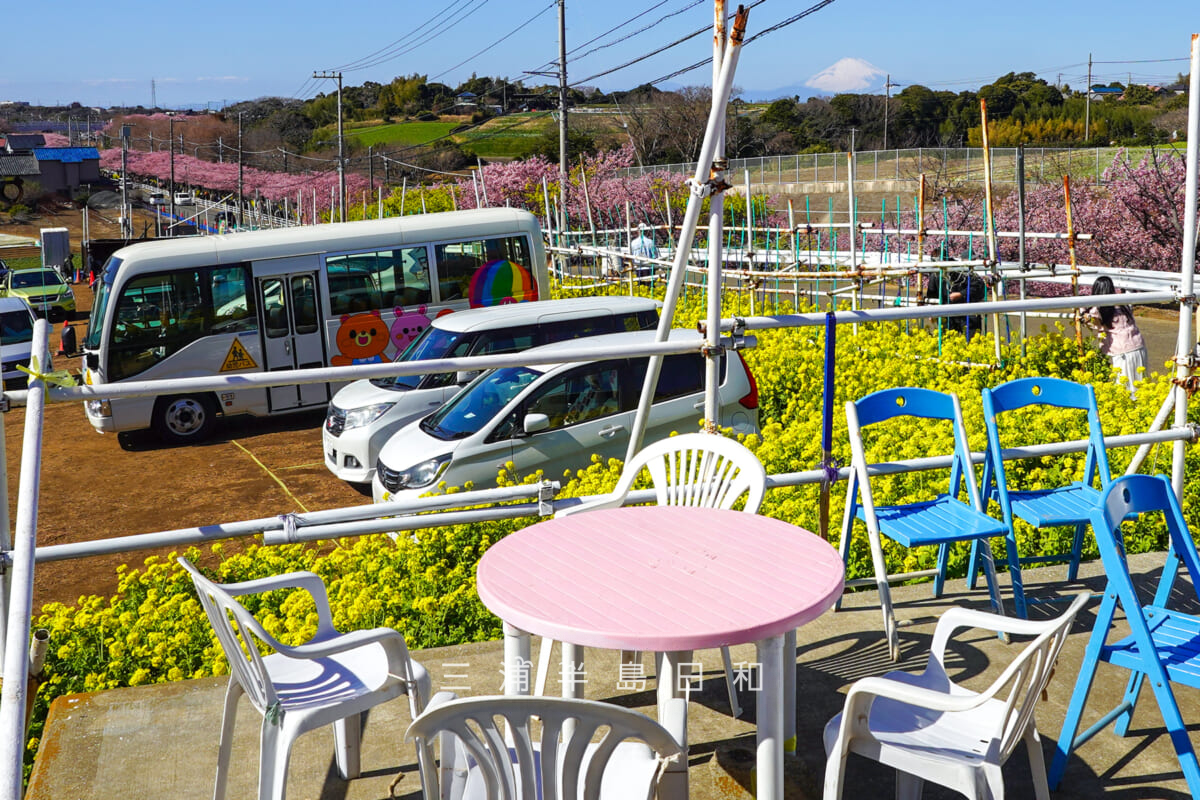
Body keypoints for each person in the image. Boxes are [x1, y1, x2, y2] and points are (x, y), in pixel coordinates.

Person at [1083, 275, 1147, 395]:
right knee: (1139, 385)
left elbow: (1091, 322)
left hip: (1122, 352)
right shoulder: (1122, 304)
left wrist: (1082, 312)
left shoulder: (1098, 309)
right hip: (1138, 346)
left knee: (1123, 388)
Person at [922, 264, 985, 340]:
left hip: (967, 311)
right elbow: (932, 295)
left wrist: (961, 294)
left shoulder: (962, 271)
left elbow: (979, 288)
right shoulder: (935, 275)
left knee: (971, 339)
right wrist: (931, 311)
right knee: (948, 338)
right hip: (947, 312)